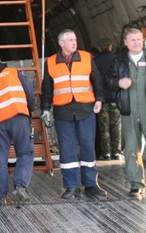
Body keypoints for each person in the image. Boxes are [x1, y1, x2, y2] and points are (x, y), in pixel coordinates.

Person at [105, 28, 146, 199]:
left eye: (139, 39)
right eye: (132, 40)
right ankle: (136, 185)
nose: (136, 42)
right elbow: (108, 80)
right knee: (131, 149)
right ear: (125, 42)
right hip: (128, 112)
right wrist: (119, 83)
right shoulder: (118, 61)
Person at [41, 29, 108, 200]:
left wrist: (99, 99)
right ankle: (71, 186)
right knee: (67, 149)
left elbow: (96, 79)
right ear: (61, 43)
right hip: (63, 111)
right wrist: (45, 109)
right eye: (70, 40)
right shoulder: (50, 62)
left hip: (85, 109)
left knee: (87, 147)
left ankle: (91, 185)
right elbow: (47, 88)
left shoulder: (86, 57)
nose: (74, 42)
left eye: (75, 39)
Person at [0, 52, 36, 205]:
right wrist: (29, 111)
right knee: (25, 152)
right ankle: (20, 185)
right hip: (19, 116)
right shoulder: (13, 72)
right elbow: (29, 93)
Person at [94, 38, 122, 160]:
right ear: (111, 47)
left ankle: (106, 153)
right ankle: (117, 151)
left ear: (100, 48)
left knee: (103, 126)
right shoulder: (118, 60)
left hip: (101, 99)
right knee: (116, 126)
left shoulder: (95, 61)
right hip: (116, 97)